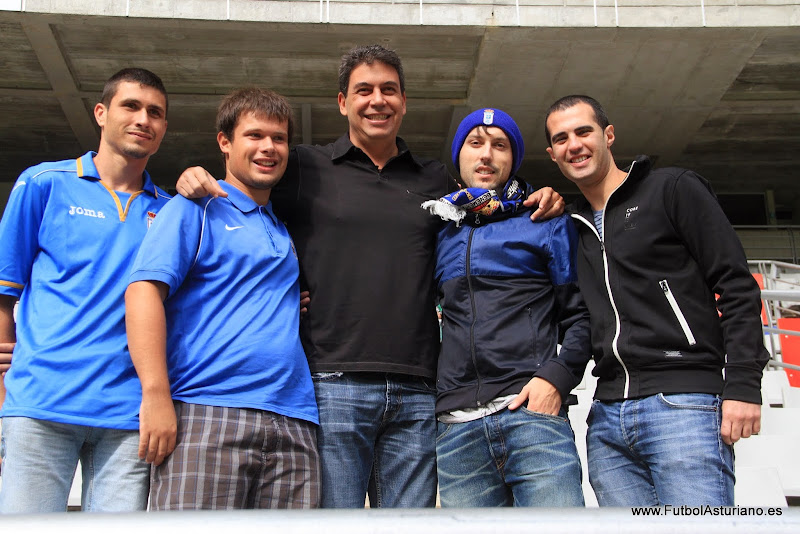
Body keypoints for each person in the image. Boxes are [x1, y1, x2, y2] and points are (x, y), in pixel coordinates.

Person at [176, 45, 564, 508]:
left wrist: (540, 195)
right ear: (343, 102)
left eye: (389, 90)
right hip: (331, 381)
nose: (377, 100)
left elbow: (491, 204)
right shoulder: (302, 166)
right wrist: (192, 176)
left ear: (403, 102)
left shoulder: (436, 179)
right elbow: (244, 178)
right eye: (364, 90)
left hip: (420, 389)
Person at [544, 95, 770, 506]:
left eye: (583, 131)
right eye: (561, 138)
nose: (573, 144)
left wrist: (743, 384)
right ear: (553, 154)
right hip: (608, 419)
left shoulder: (673, 189)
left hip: (684, 403)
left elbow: (736, 286)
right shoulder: (569, 227)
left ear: (608, 135)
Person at [125, 88, 319, 510]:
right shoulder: (194, 208)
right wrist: (155, 394)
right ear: (225, 143)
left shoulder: (284, 229)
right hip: (207, 413)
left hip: (296, 420)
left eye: (279, 138)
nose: (268, 147)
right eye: (254, 135)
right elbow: (142, 293)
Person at [0, 68, 170, 513]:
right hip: (41, 403)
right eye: (130, 106)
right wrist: (3, 391)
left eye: (155, 112)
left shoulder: (170, 212)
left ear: (164, 128)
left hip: (129, 417)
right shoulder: (44, 183)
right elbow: (4, 291)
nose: (143, 119)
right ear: (101, 113)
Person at [423, 108, 590, 507]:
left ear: (513, 159)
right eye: (475, 143)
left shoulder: (545, 220)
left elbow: (581, 316)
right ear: (458, 154)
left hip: (531, 417)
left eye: (500, 145)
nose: (486, 155)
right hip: (457, 428)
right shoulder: (440, 228)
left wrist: (556, 379)